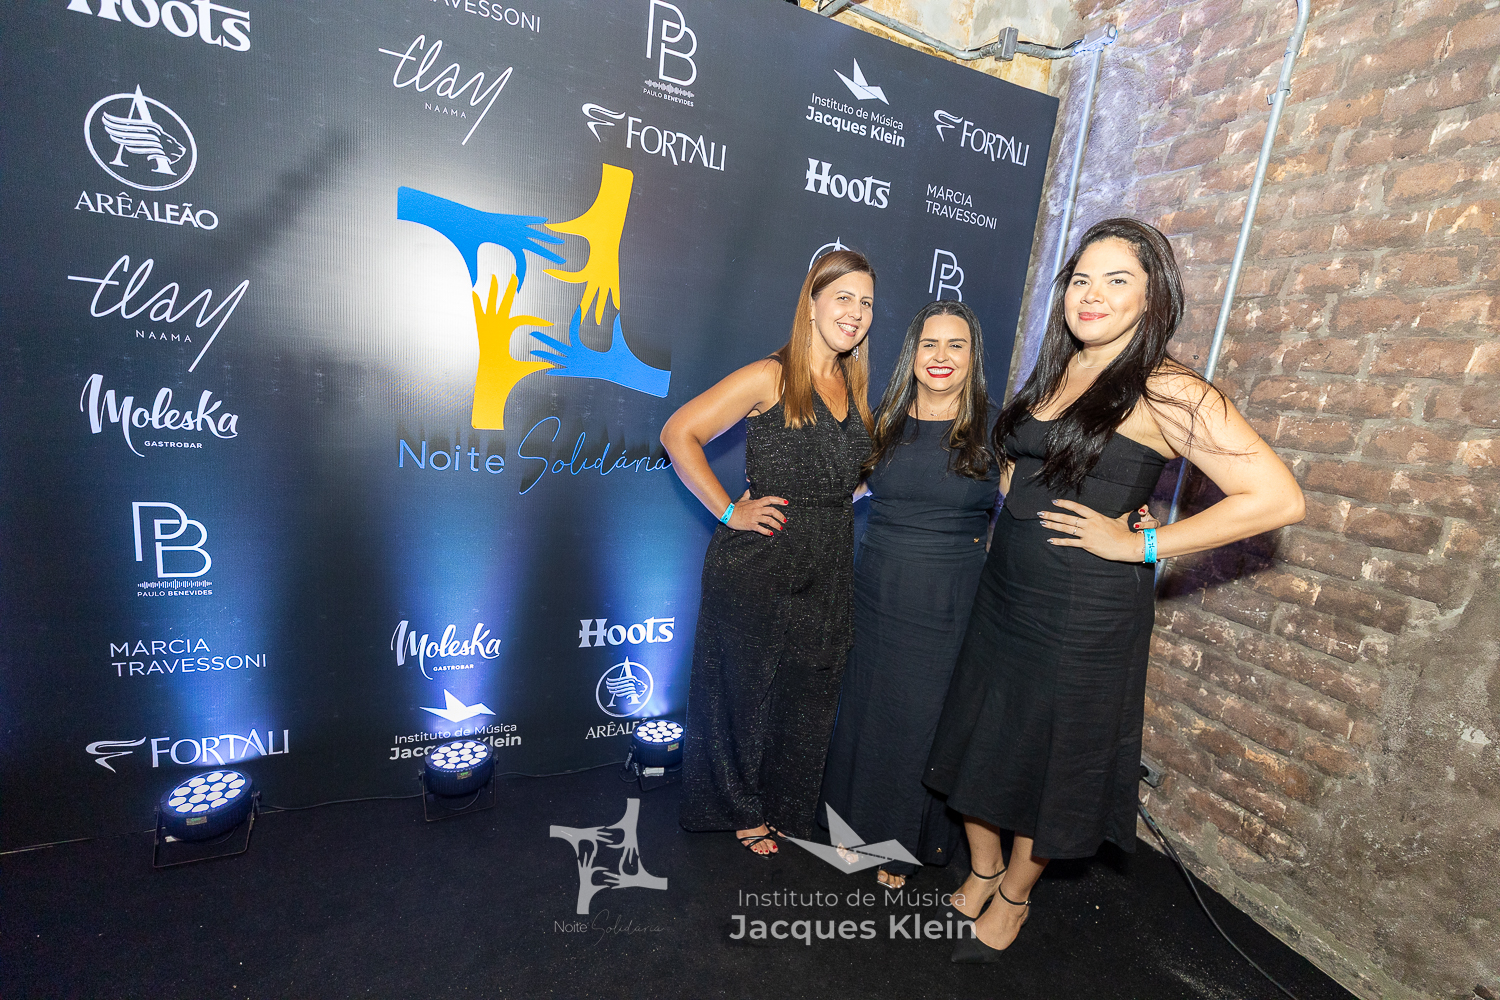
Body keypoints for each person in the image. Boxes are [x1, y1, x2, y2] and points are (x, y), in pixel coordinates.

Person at [924, 218, 1305, 962]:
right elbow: (1022, 465)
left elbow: (1276, 498)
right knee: (983, 733)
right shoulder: (1059, 367)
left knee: (1048, 757)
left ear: (1152, 298)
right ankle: (983, 868)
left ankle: (1014, 896)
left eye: (1116, 280)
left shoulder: (1167, 389)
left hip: (1084, 611)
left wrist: (1140, 543)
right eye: (1081, 280)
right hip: (1007, 592)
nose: (1091, 295)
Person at [661, 249, 875, 856]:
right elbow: (679, 432)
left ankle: (784, 801)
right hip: (760, 561)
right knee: (743, 690)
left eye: (865, 303)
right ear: (811, 304)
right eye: (843, 297)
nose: (855, 313)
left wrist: (846, 494)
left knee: (808, 691)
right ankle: (739, 806)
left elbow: (851, 474)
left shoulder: (855, 388)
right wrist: (730, 511)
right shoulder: (771, 376)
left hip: (828, 563)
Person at [819, 301, 999, 890]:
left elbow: (1031, 506)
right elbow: (841, 491)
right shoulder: (884, 422)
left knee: (920, 720)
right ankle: (853, 828)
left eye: (956, 345)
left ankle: (899, 845)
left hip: (949, 600)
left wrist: (1129, 523)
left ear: (973, 357)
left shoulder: (996, 430)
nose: (941, 357)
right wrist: (773, 495)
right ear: (912, 354)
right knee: (867, 710)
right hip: (876, 589)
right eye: (929, 344)